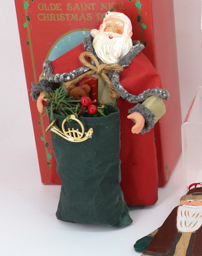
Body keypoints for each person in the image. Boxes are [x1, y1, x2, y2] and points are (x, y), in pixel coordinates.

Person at [31, 11, 168, 206]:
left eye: (117, 29)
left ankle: (126, 198)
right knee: (82, 163)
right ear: (100, 29)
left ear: (128, 35)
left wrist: (143, 114)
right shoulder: (84, 54)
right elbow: (54, 72)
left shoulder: (136, 63)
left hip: (122, 129)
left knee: (125, 162)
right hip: (83, 123)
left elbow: (156, 95)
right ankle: (82, 194)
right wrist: (44, 92)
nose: (111, 32)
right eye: (108, 26)